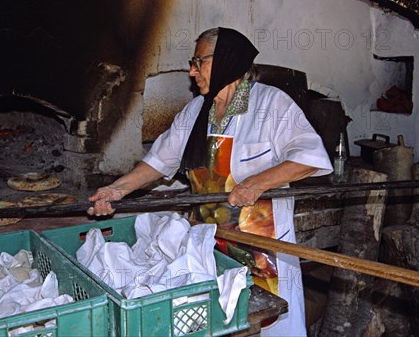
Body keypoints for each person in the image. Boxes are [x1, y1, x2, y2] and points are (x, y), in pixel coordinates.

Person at [88, 27, 333, 336]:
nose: (192, 71)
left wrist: (259, 182)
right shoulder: (195, 113)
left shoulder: (272, 105)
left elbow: (311, 157)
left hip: (262, 250)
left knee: (268, 324)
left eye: (198, 61)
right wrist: (116, 189)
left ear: (227, 60)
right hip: (210, 247)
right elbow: (158, 161)